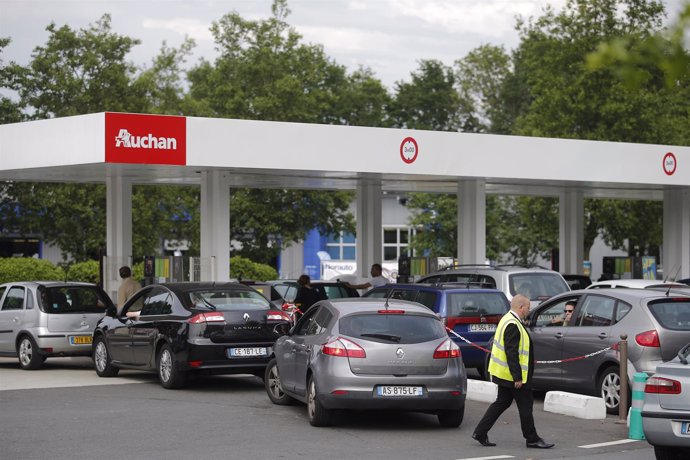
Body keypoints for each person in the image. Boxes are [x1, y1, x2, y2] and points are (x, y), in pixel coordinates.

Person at [472, 294, 555, 449]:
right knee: (526, 406)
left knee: (502, 402)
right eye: (528, 308)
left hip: (504, 373)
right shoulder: (512, 324)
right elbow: (512, 352)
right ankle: (532, 439)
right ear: (521, 307)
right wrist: (517, 377)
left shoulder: (507, 319)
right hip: (514, 376)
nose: (528, 311)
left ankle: (480, 432)